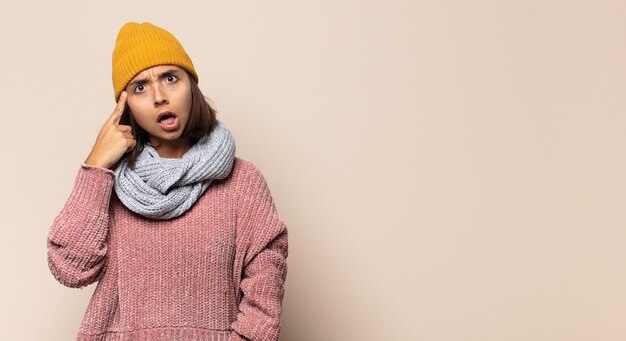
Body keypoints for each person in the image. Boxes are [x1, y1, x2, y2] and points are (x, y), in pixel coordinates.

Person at [46, 21, 288, 341]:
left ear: (191, 86)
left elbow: (263, 304)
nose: (159, 96)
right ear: (125, 105)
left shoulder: (243, 183)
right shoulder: (109, 182)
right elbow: (70, 268)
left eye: (170, 78)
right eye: (140, 88)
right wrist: (95, 166)